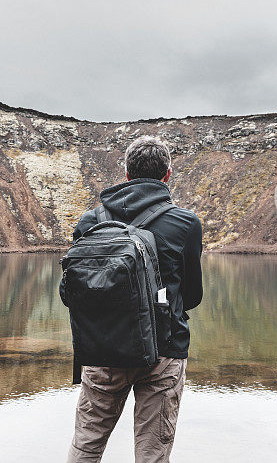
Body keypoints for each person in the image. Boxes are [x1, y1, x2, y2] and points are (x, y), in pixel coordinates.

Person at [65, 135, 203, 463]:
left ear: (126, 174)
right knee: (152, 454)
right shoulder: (185, 224)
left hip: (102, 350)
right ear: (167, 175)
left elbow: (71, 291)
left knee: (86, 443)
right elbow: (193, 297)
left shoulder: (91, 222)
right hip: (163, 352)